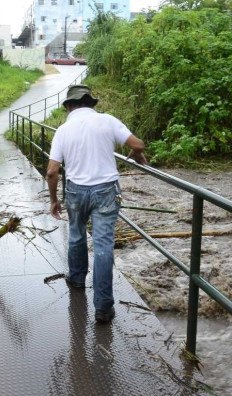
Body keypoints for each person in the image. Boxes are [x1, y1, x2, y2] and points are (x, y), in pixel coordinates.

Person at [45, 85, 147, 323]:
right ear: (91, 103)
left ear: (69, 106)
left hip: (76, 192)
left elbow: (52, 172)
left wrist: (53, 200)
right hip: (106, 191)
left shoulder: (63, 130)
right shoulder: (108, 121)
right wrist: (136, 153)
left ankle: (77, 279)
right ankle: (102, 307)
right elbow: (138, 144)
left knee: (77, 235)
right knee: (103, 246)